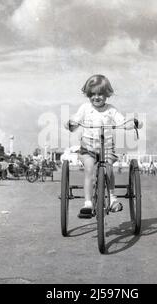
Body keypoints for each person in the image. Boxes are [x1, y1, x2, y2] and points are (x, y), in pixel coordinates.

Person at [65, 74, 142, 218]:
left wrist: (133, 123)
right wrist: (70, 124)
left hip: (106, 148)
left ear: (107, 94)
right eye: (92, 94)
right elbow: (75, 121)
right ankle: (88, 203)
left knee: (108, 168)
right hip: (88, 149)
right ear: (88, 95)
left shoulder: (111, 109)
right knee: (89, 168)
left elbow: (123, 122)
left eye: (100, 94)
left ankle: (112, 198)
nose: (96, 97)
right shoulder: (85, 108)